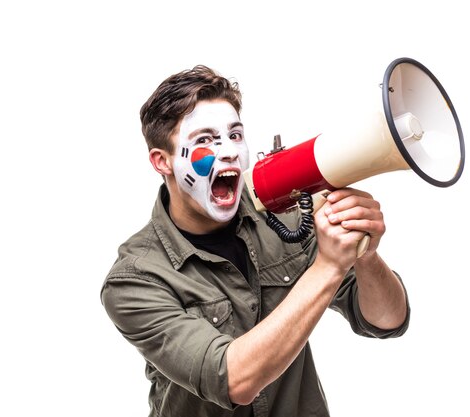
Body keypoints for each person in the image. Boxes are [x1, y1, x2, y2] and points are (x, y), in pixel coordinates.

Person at [100, 65, 410, 417]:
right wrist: (328, 267)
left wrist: (364, 254)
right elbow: (234, 381)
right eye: (204, 140)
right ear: (162, 161)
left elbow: (389, 320)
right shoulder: (134, 279)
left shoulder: (282, 215)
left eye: (235, 135)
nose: (229, 151)